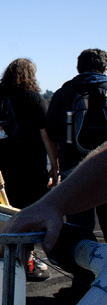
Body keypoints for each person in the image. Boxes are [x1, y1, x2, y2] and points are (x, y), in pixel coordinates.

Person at [0, 58, 58, 279]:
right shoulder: (34, 99)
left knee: (4, 210)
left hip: (1, 168)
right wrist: (55, 165)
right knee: (29, 213)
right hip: (32, 168)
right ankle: (26, 261)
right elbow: (46, 136)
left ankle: (5, 257)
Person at [45, 48, 107, 233]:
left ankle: (82, 259)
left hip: (73, 168)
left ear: (78, 67)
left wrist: (55, 167)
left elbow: (51, 133)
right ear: (104, 67)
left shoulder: (64, 93)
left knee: (79, 228)